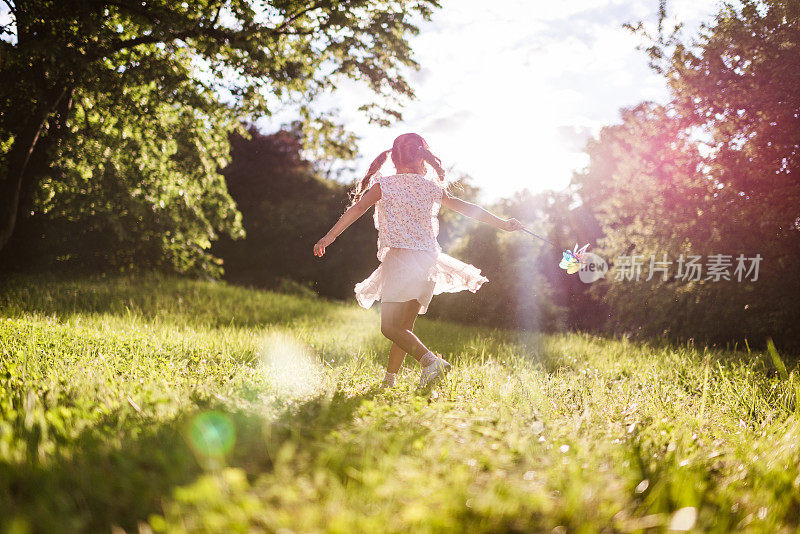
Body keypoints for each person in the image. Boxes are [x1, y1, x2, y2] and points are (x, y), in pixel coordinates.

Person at [313, 133, 523, 388]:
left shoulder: (385, 185)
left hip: (401, 261)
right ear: (421, 159)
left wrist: (329, 237)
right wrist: (503, 223)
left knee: (390, 328)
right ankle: (389, 381)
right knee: (404, 329)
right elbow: (467, 208)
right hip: (427, 264)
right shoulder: (431, 188)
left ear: (395, 159)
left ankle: (430, 361)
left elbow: (357, 209)